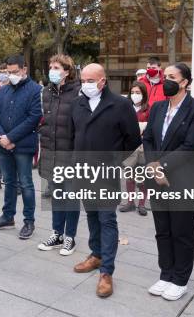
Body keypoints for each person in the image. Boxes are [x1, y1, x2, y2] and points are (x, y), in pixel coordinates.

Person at [70, 63, 141, 298]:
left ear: (102, 81)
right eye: (83, 80)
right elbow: (73, 134)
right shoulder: (78, 103)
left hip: (106, 173)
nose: (86, 85)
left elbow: (132, 139)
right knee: (91, 215)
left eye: (90, 80)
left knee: (106, 219)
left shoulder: (120, 105)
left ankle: (107, 271)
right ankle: (96, 254)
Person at [142, 63, 194, 301]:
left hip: (185, 180)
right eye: (164, 76)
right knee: (163, 230)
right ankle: (165, 274)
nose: (166, 80)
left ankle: (180, 280)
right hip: (156, 178)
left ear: (185, 82)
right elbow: (148, 137)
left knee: (181, 232)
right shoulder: (158, 106)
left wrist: (162, 166)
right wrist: (153, 165)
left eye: (172, 77)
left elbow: (191, 146)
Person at [0, 55, 42, 240]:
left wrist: (11, 137)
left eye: (15, 72)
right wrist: (2, 137)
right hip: (3, 145)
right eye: (8, 72)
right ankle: (8, 217)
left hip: (23, 145)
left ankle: (29, 221)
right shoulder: (2, 91)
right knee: (8, 182)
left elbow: (33, 118)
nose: (11, 75)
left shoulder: (35, 90)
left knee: (25, 183)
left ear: (24, 69)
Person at [36, 54, 81, 255]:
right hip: (51, 152)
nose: (52, 71)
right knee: (57, 195)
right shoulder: (46, 92)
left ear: (67, 71)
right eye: (51, 67)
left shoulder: (78, 93)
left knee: (71, 196)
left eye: (56, 67)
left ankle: (70, 236)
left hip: (70, 154)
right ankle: (57, 233)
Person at [119, 81, 150, 215]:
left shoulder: (149, 109)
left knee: (142, 178)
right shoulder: (125, 108)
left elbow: (151, 128)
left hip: (143, 148)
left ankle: (142, 204)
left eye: (138, 93)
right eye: (132, 92)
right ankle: (130, 202)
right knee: (129, 177)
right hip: (128, 148)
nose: (134, 95)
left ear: (143, 94)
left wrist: (140, 128)